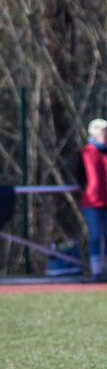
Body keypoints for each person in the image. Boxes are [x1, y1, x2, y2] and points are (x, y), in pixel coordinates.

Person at [80, 117, 107, 278]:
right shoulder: (86, 152)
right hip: (92, 201)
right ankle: (96, 269)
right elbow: (79, 175)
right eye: (103, 131)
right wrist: (88, 190)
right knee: (96, 235)